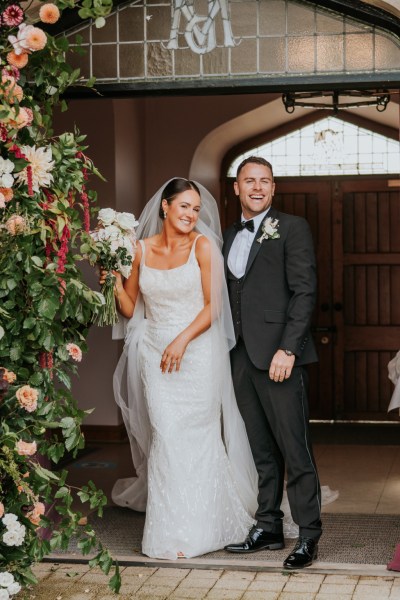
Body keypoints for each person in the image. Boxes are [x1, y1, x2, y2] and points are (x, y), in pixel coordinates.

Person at [107, 178, 259, 560]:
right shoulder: (140, 249)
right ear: (165, 207)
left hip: (197, 352)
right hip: (155, 354)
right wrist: (111, 275)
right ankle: (169, 531)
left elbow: (214, 307)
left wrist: (182, 339)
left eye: (195, 208)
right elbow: (129, 308)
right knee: (167, 435)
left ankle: (206, 527)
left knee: (197, 434)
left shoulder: (203, 247)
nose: (192, 214)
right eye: (184, 207)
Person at [223, 156, 322, 569]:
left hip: (280, 356)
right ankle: (268, 526)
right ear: (237, 188)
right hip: (240, 356)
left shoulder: (293, 227)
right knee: (261, 449)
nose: (257, 187)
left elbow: (305, 292)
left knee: (294, 448)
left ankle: (309, 535)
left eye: (265, 181)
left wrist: (289, 349)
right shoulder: (226, 236)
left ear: (274, 188)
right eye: (250, 180)